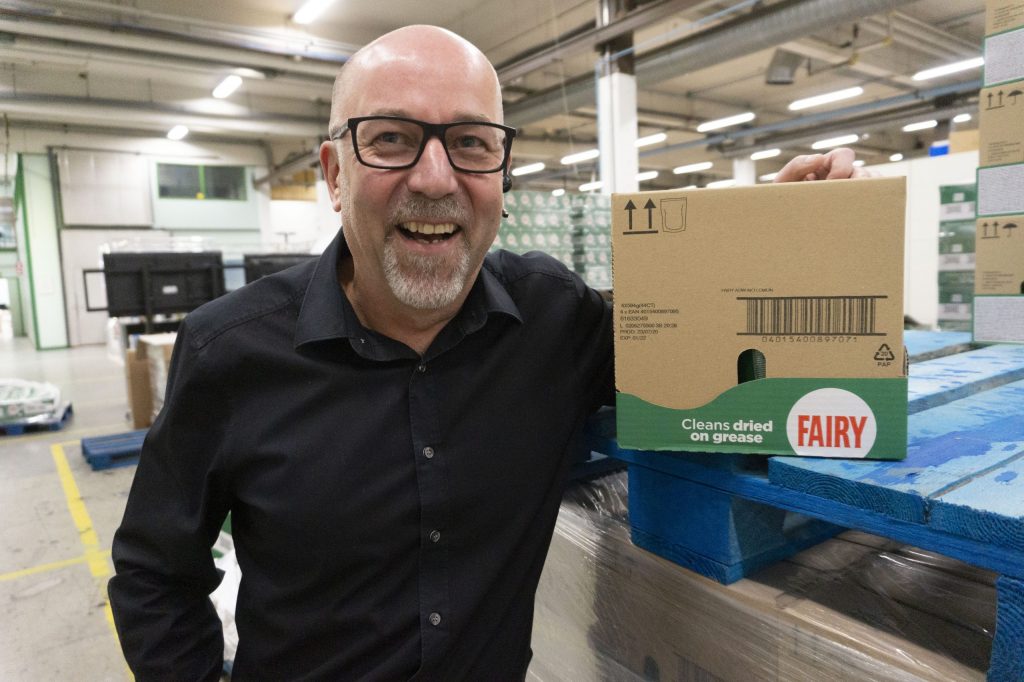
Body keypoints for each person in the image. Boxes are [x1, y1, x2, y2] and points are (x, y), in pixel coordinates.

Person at [108, 24, 867, 681]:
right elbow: (154, 576)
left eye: (471, 143)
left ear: (502, 176)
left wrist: (775, 229)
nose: (435, 178)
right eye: (392, 138)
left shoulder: (555, 320)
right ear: (335, 175)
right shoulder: (229, 353)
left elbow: (705, 356)